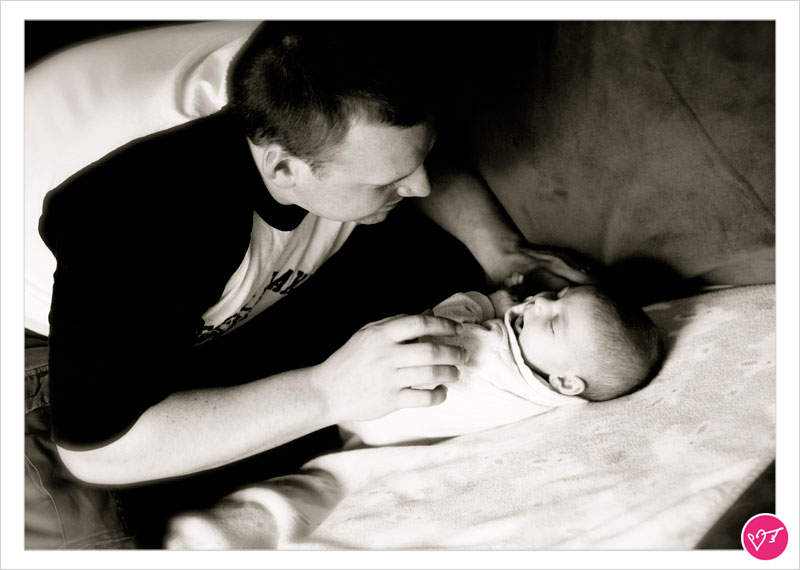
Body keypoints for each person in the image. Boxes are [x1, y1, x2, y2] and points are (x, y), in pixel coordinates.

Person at [27, 22, 593, 547]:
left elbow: (404, 149)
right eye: (392, 181)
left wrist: (498, 247)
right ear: (282, 169)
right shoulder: (148, 216)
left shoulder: (333, 77)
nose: (422, 188)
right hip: (46, 335)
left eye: (419, 163)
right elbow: (97, 449)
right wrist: (330, 390)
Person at [342, 277, 664, 447]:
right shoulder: (550, 395)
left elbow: (441, 323)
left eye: (553, 323)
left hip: (363, 401)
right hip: (385, 437)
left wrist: (489, 302)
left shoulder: (490, 348)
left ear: (566, 382)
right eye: (559, 296)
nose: (541, 302)